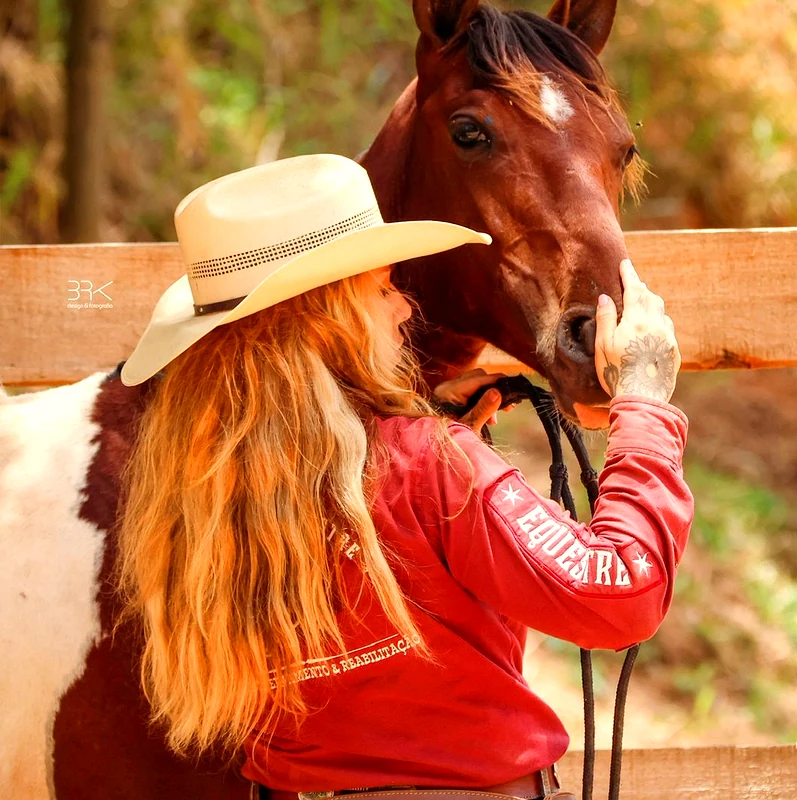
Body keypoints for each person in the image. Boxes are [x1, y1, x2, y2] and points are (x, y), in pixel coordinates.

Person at [117, 154, 693, 800]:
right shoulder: (426, 467)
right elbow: (617, 594)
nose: (402, 310)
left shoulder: (195, 495)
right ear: (327, 317)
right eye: (382, 288)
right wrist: (644, 402)